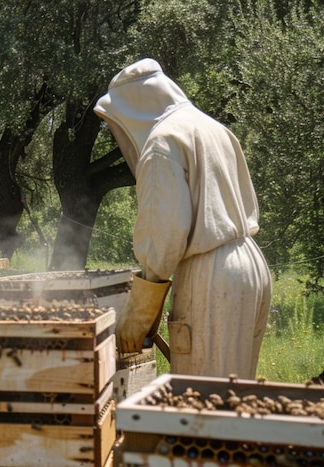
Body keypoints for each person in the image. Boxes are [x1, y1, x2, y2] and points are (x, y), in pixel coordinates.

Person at [93, 58, 271, 379]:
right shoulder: (212, 127)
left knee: (202, 399)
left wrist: (142, 306)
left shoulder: (163, 141)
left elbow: (167, 231)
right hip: (251, 266)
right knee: (237, 392)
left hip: (212, 276)